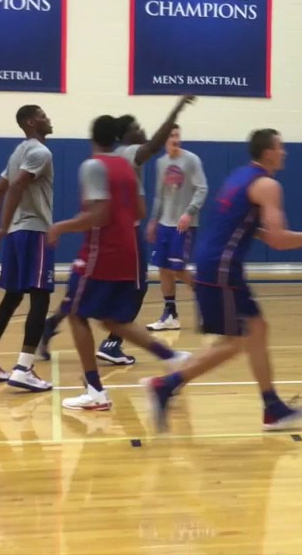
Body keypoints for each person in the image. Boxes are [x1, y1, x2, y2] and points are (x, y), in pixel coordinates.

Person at [141, 129, 302, 432]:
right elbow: (277, 240)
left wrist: (265, 234)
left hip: (216, 263)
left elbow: (245, 226)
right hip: (221, 267)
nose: (284, 152)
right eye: (280, 147)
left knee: (257, 329)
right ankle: (165, 385)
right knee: (234, 343)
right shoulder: (268, 185)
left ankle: (273, 408)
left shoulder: (240, 176)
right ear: (268, 152)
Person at [49, 115, 191, 412]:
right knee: (112, 320)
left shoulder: (93, 166)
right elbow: (139, 210)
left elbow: (99, 215)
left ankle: (95, 391)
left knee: (75, 313)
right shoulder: (127, 167)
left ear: (92, 137)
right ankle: (171, 357)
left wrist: (61, 227)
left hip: (102, 250)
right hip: (129, 248)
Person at [0, 105, 55, 392]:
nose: (48, 118)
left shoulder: (18, 152)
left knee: (12, 297)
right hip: (34, 232)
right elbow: (16, 187)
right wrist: (1, 229)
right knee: (40, 298)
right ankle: (24, 368)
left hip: (18, 235)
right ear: (31, 122)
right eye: (42, 115)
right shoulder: (41, 152)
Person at [145, 124, 208, 332]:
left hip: (183, 225)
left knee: (177, 269)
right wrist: (154, 220)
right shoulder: (161, 163)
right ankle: (170, 315)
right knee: (163, 268)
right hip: (165, 223)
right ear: (164, 139)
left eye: (177, 135)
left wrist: (189, 212)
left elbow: (202, 188)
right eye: (171, 136)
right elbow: (159, 195)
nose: (175, 139)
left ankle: (206, 296)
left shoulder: (191, 160)